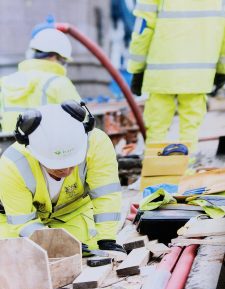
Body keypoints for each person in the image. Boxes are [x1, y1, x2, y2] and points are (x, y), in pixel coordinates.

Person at [0, 101, 124, 253]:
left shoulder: (96, 144)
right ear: (34, 153)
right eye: (56, 166)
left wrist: (107, 239)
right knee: (16, 259)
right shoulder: (12, 165)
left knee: (89, 251)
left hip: (72, 215)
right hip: (13, 221)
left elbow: (106, 194)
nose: (66, 170)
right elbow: (22, 222)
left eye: (73, 162)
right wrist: (55, 243)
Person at [127, 0, 225, 152]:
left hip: (161, 74)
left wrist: (137, 69)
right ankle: (186, 170)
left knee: (157, 128)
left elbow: (143, 28)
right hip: (198, 75)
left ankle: (155, 171)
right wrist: (221, 70)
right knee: (190, 129)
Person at [0, 28, 81, 132]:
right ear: (53, 56)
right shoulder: (59, 83)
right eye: (64, 60)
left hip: (11, 147)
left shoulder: (7, 82)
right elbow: (83, 120)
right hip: (48, 147)